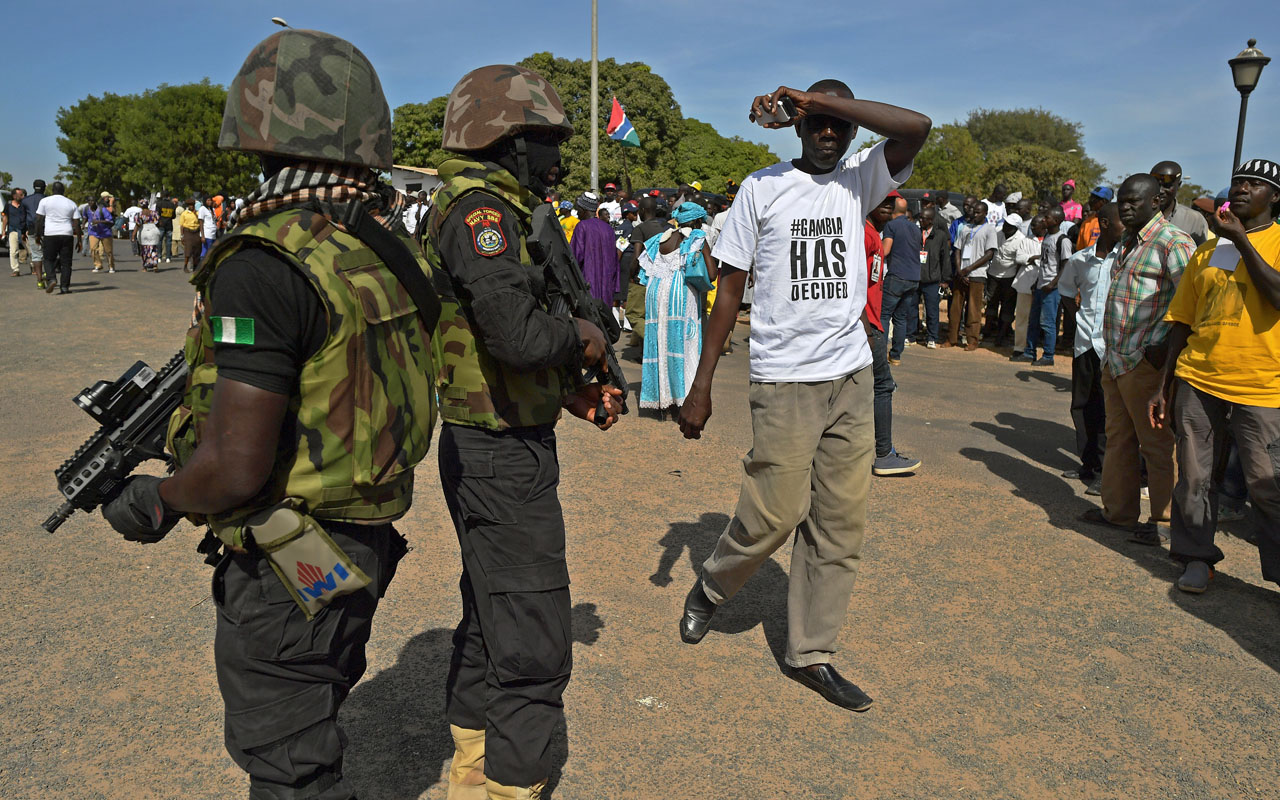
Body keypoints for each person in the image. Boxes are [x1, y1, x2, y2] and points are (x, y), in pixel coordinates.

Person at [99, 28, 438, 800]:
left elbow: (234, 468)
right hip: (358, 535)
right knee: (307, 715)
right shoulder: (378, 243)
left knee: (287, 760)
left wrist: (156, 499)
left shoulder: (263, 261)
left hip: (295, 554)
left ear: (257, 131)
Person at [675, 79, 929, 712]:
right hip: (784, 377)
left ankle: (811, 653)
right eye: (814, 122)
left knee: (839, 524)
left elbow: (916, 126)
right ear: (795, 127)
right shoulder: (761, 187)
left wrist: (823, 102)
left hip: (851, 376)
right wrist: (702, 383)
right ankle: (712, 586)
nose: (826, 134)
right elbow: (729, 288)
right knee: (775, 512)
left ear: (848, 130)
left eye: (837, 125)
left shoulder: (859, 180)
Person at [423, 63, 622, 800]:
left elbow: (480, 340)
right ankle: (508, 782)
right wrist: (581, 338)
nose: (557, 159)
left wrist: (566, 392)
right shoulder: (483, 212)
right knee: (535, 626)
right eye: (545, 141)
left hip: (494, 435)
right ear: (505, 139)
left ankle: (474, 769)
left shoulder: (488, 205)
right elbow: (513, 334)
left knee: (493, 606)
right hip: (498, 449)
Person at [1149, 158, 1280, 593]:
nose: (1242, 188)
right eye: (1238, 181)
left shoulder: (1274, 241)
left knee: (1265, 486)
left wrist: (1242, 241)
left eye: (1255, 183)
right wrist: (1163, 386)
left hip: (1262, 386)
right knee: (1195, 477)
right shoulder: (1207, 251)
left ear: (1274, 197)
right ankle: (1196, 557)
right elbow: (1182, 322)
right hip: (1199, 379)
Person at [1080, 174, 1194, 543]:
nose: (1125, 207)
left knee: (1157, 446)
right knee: (1118, 438)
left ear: (1156, 201)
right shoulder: (1128, 240)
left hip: (1146, 362)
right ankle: (1120, 513)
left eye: (1133, 202)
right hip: (1116, 358)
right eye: (1122, 201)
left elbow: (1191, 303)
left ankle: (1163, 524)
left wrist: (1160, 354)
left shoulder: (1173, 242)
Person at [1057, 202, 1121, 491]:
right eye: (1122, 221)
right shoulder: (1080, 260)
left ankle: (1108, 473)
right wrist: (1078, 319)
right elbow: (1067, 291)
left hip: (1115, 348)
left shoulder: (1127, 259)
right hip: (1086, 344)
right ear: (1105, 224)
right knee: (1083, 407)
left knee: (1110, 411)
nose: (1127, 227)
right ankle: (1088, 465)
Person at [864, 194, 921, 475]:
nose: (886, 208)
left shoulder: (876, 232)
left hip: (872, 322)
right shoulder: (864, 233)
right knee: (882, 385)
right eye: (881, 201)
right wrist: (867, 327)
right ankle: (884, 454)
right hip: (867, 325)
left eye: (891, 203)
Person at [639, 201, 714, 411]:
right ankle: (682, 399)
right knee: (683, 344)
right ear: (698, 221)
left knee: (659, 342)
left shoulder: (659, 239)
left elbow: (643, 270)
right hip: (680, 293)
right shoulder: (697, 238)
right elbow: (712, 273)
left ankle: (661, 398)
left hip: (655, 292)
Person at [1013, 208, 1070, 366]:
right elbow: (1045, 262)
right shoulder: (1047, 237)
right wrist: (1036, 281)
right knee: (1034, 320)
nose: (1044, 220)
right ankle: (1029, 352)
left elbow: (1066, 265)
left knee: (1048, 322)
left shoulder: (1063, 240)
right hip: (1040, 285)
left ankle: (1048, 356)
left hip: (1051, 288)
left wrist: (1053, 283)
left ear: (1056, 221)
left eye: (1048, 217)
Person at [946, 201, 996, 350]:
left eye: (978, 212)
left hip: (977, 274)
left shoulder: (989, 230)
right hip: (961, 274)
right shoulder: (965, 228)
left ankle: (972, 340)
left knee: (973, 309)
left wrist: (970, 269)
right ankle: (951, 338)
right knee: (955, 307)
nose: (975, 214)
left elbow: (989, 254)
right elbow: (957, 249)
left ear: (985, 213)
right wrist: (960, 269)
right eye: (974, 211)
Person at [880, 190, 922, 362]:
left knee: (884, 315)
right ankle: (896, 355)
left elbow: (885, 250)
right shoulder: (915, 228)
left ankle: (880, 355)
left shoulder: (892, 226)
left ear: (892, 209)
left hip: (897, 275)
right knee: (901, 317)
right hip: (914, 278)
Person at [622, 195, 670, 346]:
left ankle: (657, 342)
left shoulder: (640, 228)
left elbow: (636, 257)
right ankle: (644, 349)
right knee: (651, 315)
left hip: (642, 278)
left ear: (643, 210)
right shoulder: (665, 227)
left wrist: (630, 275)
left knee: (633, 314)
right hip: (660, 277)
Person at [988, 214, 1039, 346]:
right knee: (991, 304)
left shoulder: (1021, 239)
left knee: (1007, 307)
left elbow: (1020, 260)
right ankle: (988, 332)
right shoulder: (997, 233)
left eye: (1008, 225)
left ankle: (1001, 336)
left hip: (1009, 277)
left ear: (1015, 228)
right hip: (993, 274)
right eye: (1005, 223)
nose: (1005, 226)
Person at [570, 192, 619, 305]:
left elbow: (576, 257)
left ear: (584, 210)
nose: (577, 213)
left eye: (578, 209)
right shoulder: (608, 229)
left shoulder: (582, 226)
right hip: (607, 287)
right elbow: (615, 261)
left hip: (588, 285)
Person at [34, 181, 81, 294]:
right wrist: (79, 240)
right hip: (67, 234)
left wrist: (37, 235)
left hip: (50, 234)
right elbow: (77, 224)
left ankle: (51, 279)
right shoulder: (71, 203)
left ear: (52, 190)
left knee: (48, 259)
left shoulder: (45, 201)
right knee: (66, 263)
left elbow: (39, 220)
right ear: (63, 191)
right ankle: (64, 287)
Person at [914, 204, 950, 347]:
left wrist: (945, 279)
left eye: (924, 218)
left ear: (931, 220)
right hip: (916, 277)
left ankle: (932, 337)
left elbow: (945, 258)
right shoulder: (916, 233)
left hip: (933, 279)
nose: (921, 220)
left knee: (932, 311)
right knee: (912, 308)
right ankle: (912, 335)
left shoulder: (940, 236)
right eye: (920, 218)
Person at [1151, 160, 1209, 246]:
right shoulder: (1139, 214)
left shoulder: (1194, 220)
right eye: (1156, 185)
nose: (1160, 190)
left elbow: (1201, 255)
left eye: (1167, 186)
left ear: (1179, 185)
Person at [1012, 214, 1047, 353]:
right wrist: (1034, 257)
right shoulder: (1026, 240)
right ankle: (1019, 347)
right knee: (1022, 316)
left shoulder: (1050, 240)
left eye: (1034, 225)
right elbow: (1019, 258)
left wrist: (1034, 259)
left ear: (1043, 225)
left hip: (1043, 283)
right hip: (1025, 283)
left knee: (1040, 319)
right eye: (1031, 225)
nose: (1031, 228)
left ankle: (1033, 348)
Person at [1075, 186, 1114, 251]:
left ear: (1103, 201)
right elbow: (1080, 249)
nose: (1090, 201)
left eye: (1094, 198)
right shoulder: (1086, 223)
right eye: (1090, 197)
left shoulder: (1113, 221)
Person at [84, 195, 116, 273]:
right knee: (93, 249)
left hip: (105, 232)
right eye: (89, 201)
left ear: (96, 202)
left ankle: (111, 266)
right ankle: (98, 264)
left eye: (92, 201)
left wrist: (99, 222)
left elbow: (110, 221)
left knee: (108, 251)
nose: (91, 203)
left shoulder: (102, 210)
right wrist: (82, 224)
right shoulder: (86, 209)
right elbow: (85, 217)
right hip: (93, 231)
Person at [3, 187, 28, 277]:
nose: (22, 196)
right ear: (14, 196)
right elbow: (5, 218)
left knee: (31, 251)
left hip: (25, 231)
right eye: (20, 194)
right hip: (13, 230)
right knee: (13, 251)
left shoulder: (24, 205)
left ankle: (34, 267)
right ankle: (15, 269)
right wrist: (3, 230)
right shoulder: (8, 205)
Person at [136, 201, 161, 272]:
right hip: (153, 230)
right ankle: (155, 265)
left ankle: (145, 267)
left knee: (144, 249)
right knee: (153, 248)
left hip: (144, 231)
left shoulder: (139, 214)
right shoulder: (154, 213)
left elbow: (137, 224)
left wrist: (133, 235)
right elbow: (158, 222)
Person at [179, 198, 201, 272]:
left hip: (196, 232)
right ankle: (185, 266)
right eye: (190, 205)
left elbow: (200, 221)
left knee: (197, 250)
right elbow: (181, 226)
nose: (191, 207)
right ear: (188, 206)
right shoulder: (184, 213)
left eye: (192, 205)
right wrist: (182, 236)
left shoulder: (198, 213)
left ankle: (195, 266)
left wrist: (195, 213)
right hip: (188, 232)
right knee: (188, 250)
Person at [155, 194, 177, 262]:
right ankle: (168, 257)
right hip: (169, 225)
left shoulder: (159, 204)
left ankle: (159, 257)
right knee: (169, 241)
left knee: (159, 241)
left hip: (161, 224)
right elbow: (174, 216)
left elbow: (156, 214)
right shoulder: (172, 205)